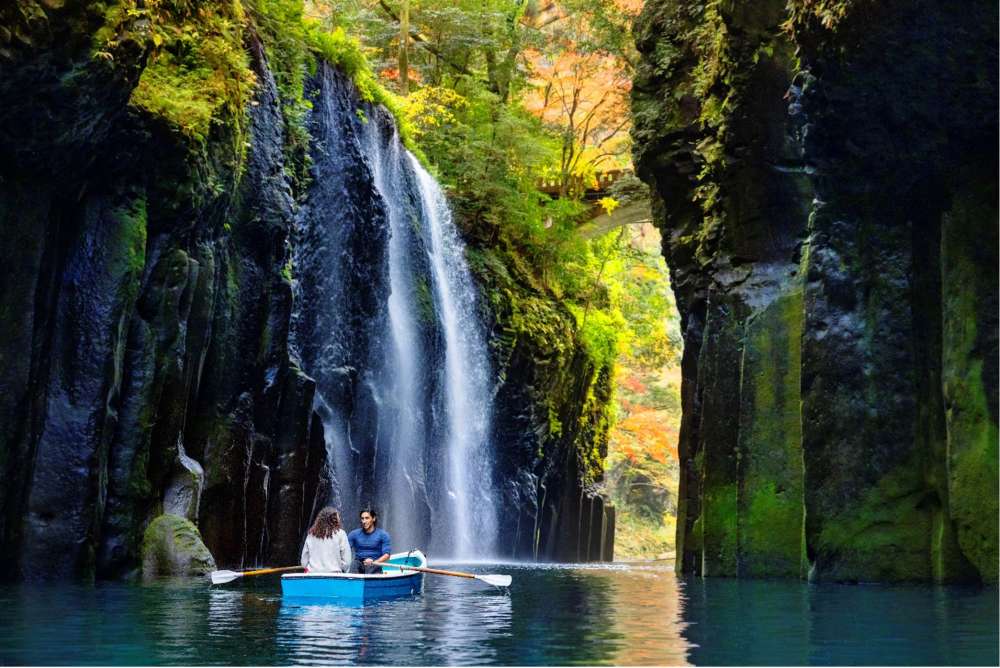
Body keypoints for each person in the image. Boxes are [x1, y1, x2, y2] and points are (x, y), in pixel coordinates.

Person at [300, 507, 351, 573]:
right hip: (334, 575)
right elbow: (347, 561)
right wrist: (339, 567)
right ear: (335, 520)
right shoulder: (341, 534)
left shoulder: (311, 535)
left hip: (313, 575)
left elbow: (304, 562)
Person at [347, 508, 392, 574]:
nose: (364, 521)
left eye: (367, 518)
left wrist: (375, 562)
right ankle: (352, 582)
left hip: (375, 563)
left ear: (373, 519)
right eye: (362, 518)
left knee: (371, 568)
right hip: (359, 564)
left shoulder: (383, 535)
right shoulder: (353, 534)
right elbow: (344, 550)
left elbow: (387, 555)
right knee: (354, 564)